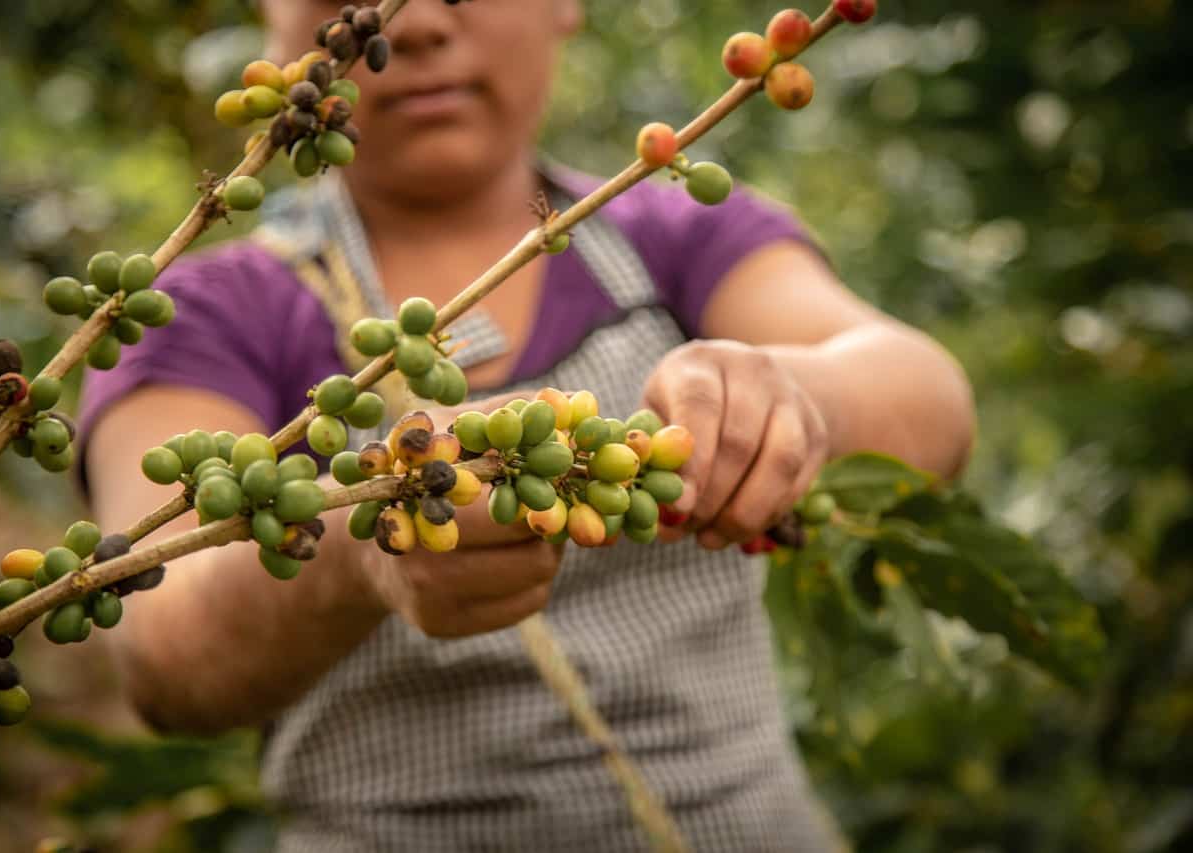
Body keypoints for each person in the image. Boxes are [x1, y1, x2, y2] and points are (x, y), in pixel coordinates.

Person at [79, 1, 975, 850]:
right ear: (272, 24)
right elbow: (164, 655)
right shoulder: (202, 316)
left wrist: (791, 397)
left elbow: (926, 397)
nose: (419, 23)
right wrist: (357, 555)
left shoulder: (676, 234)